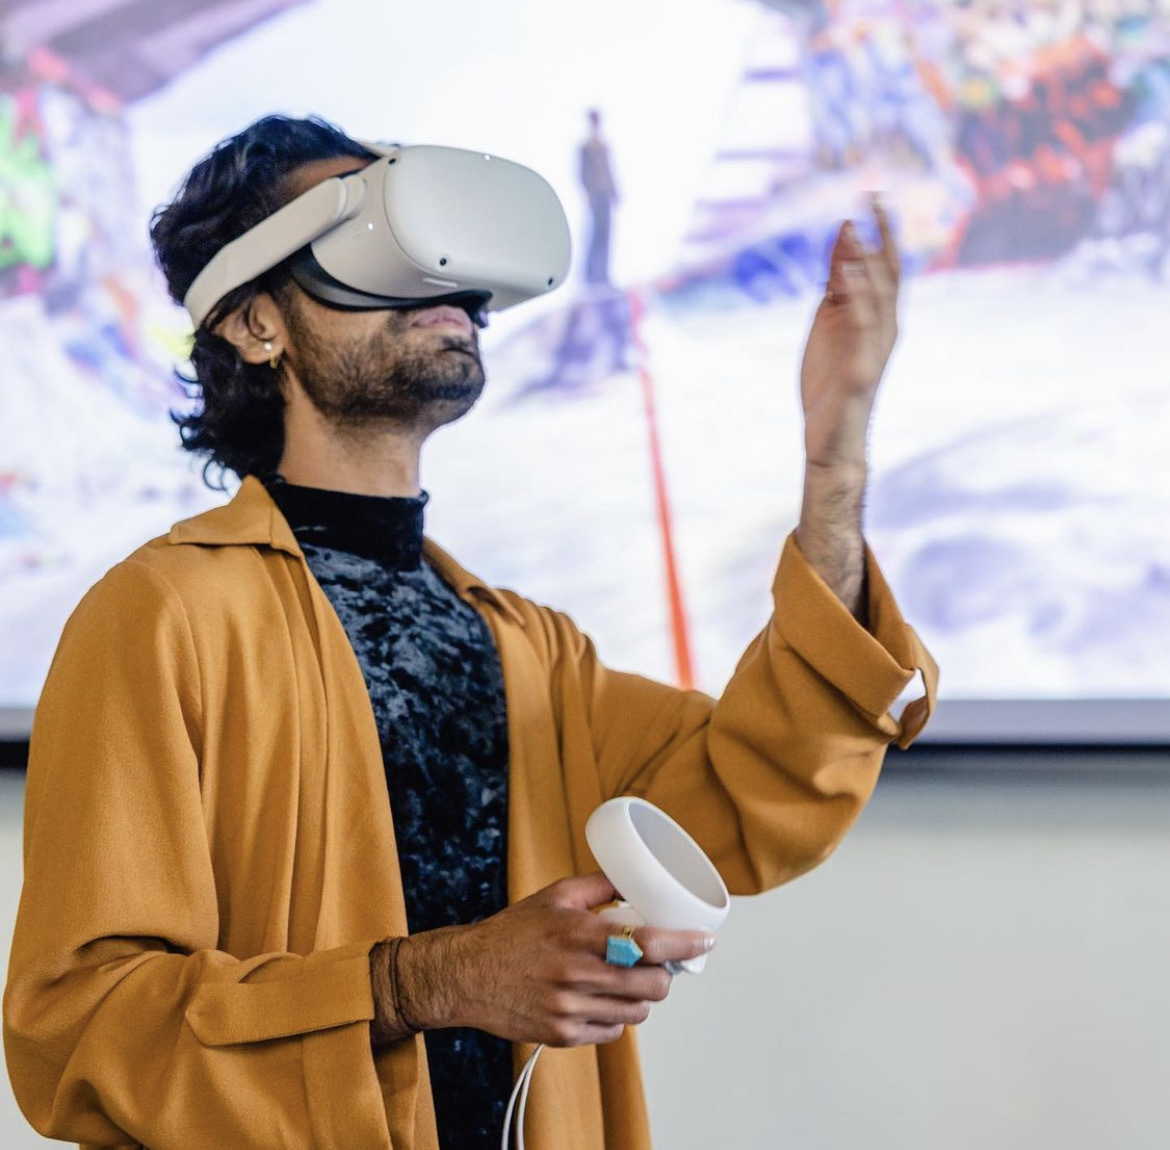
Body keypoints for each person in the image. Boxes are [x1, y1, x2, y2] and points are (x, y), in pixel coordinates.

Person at [3, 115, 936, 1150]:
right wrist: (434, 980)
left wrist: (834, 466)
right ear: (253, 322)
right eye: (372, 245)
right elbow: (82, 1025)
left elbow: (757, 791)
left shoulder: (533, 650)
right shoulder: (161, 619)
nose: (441, 280)